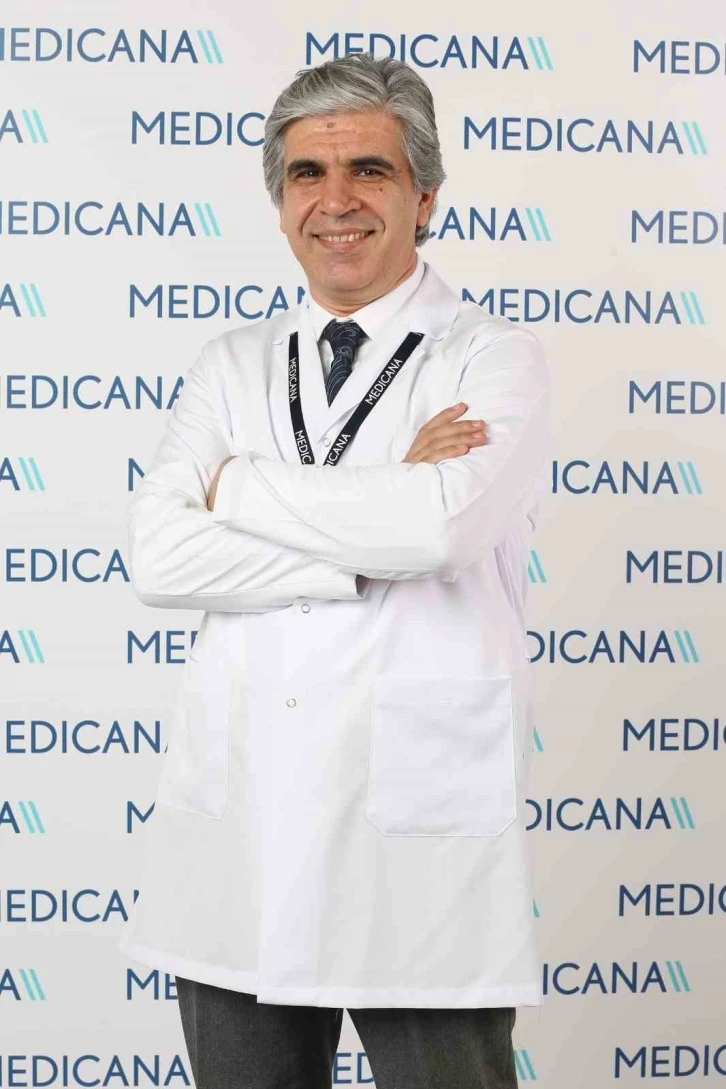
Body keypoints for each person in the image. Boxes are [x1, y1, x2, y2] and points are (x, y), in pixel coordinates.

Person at [118, 52, 550, 1089]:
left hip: (415, 840)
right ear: (280, 204)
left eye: (370, 169)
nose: (337, 199)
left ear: (425, 196)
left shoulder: (488, 357)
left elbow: (437, 532)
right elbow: (160, 555)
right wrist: (371, 523)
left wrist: (238, 486)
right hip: (243, 828)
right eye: (308, 173)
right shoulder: (230, 364)